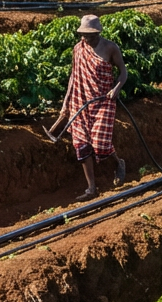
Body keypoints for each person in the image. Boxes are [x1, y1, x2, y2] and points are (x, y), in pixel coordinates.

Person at [49, 15, 128, 199]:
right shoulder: (78, 49)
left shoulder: (110, 47)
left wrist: (116, 88)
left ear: (98, 33)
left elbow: (123, 72)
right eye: (84, 35)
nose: (87, 39)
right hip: (80, 100)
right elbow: (73, 76)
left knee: (100, 143)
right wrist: (66, 103)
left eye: (91, 35)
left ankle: (119, 163)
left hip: (103, 100)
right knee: (82, 145)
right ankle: (91, 188)